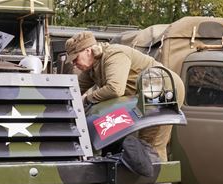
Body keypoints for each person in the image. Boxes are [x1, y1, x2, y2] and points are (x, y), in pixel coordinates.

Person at [65, 31, 186, 161]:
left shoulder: (114, 55)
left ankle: (158, 180)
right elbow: (74, 90)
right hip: (142, 95)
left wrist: (87, 99)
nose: (74, 63)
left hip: (161, 88)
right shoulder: (92, 67)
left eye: (75, 58)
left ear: (88, 51)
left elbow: (115, 89)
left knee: (150, 144)